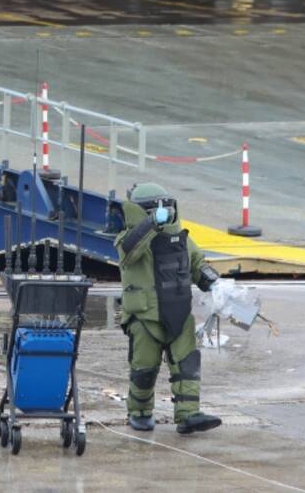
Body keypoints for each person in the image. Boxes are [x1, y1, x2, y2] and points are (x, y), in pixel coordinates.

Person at [115, 182, 223, 435]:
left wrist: (215, 283)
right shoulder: (128, 240)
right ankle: (139, 411)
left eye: (165, 206)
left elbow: (196, 262)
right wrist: (151, 224)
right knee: (144, 367)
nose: (163, 211)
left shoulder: (181, 239)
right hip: (145, 316)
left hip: (178, 311)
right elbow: (130, 252)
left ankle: (188, 415)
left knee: (187, 364)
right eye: (154, 208)